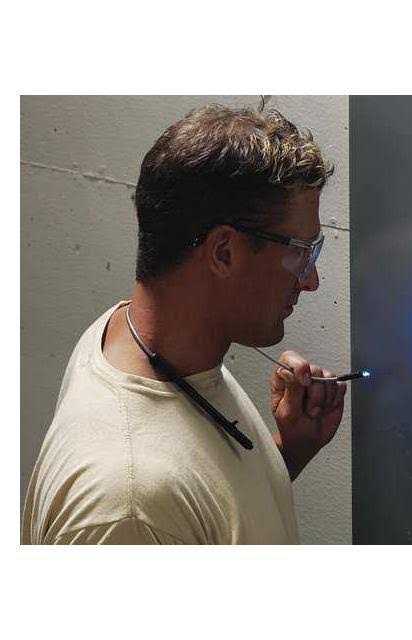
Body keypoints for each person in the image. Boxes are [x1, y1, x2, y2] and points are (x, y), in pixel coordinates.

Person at [21, 104, 347, 544]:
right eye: (300, 253)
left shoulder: (134, 334)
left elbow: (202, 511)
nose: (311, 280)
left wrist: (291, 450)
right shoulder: (129, 510)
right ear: (224, 253)